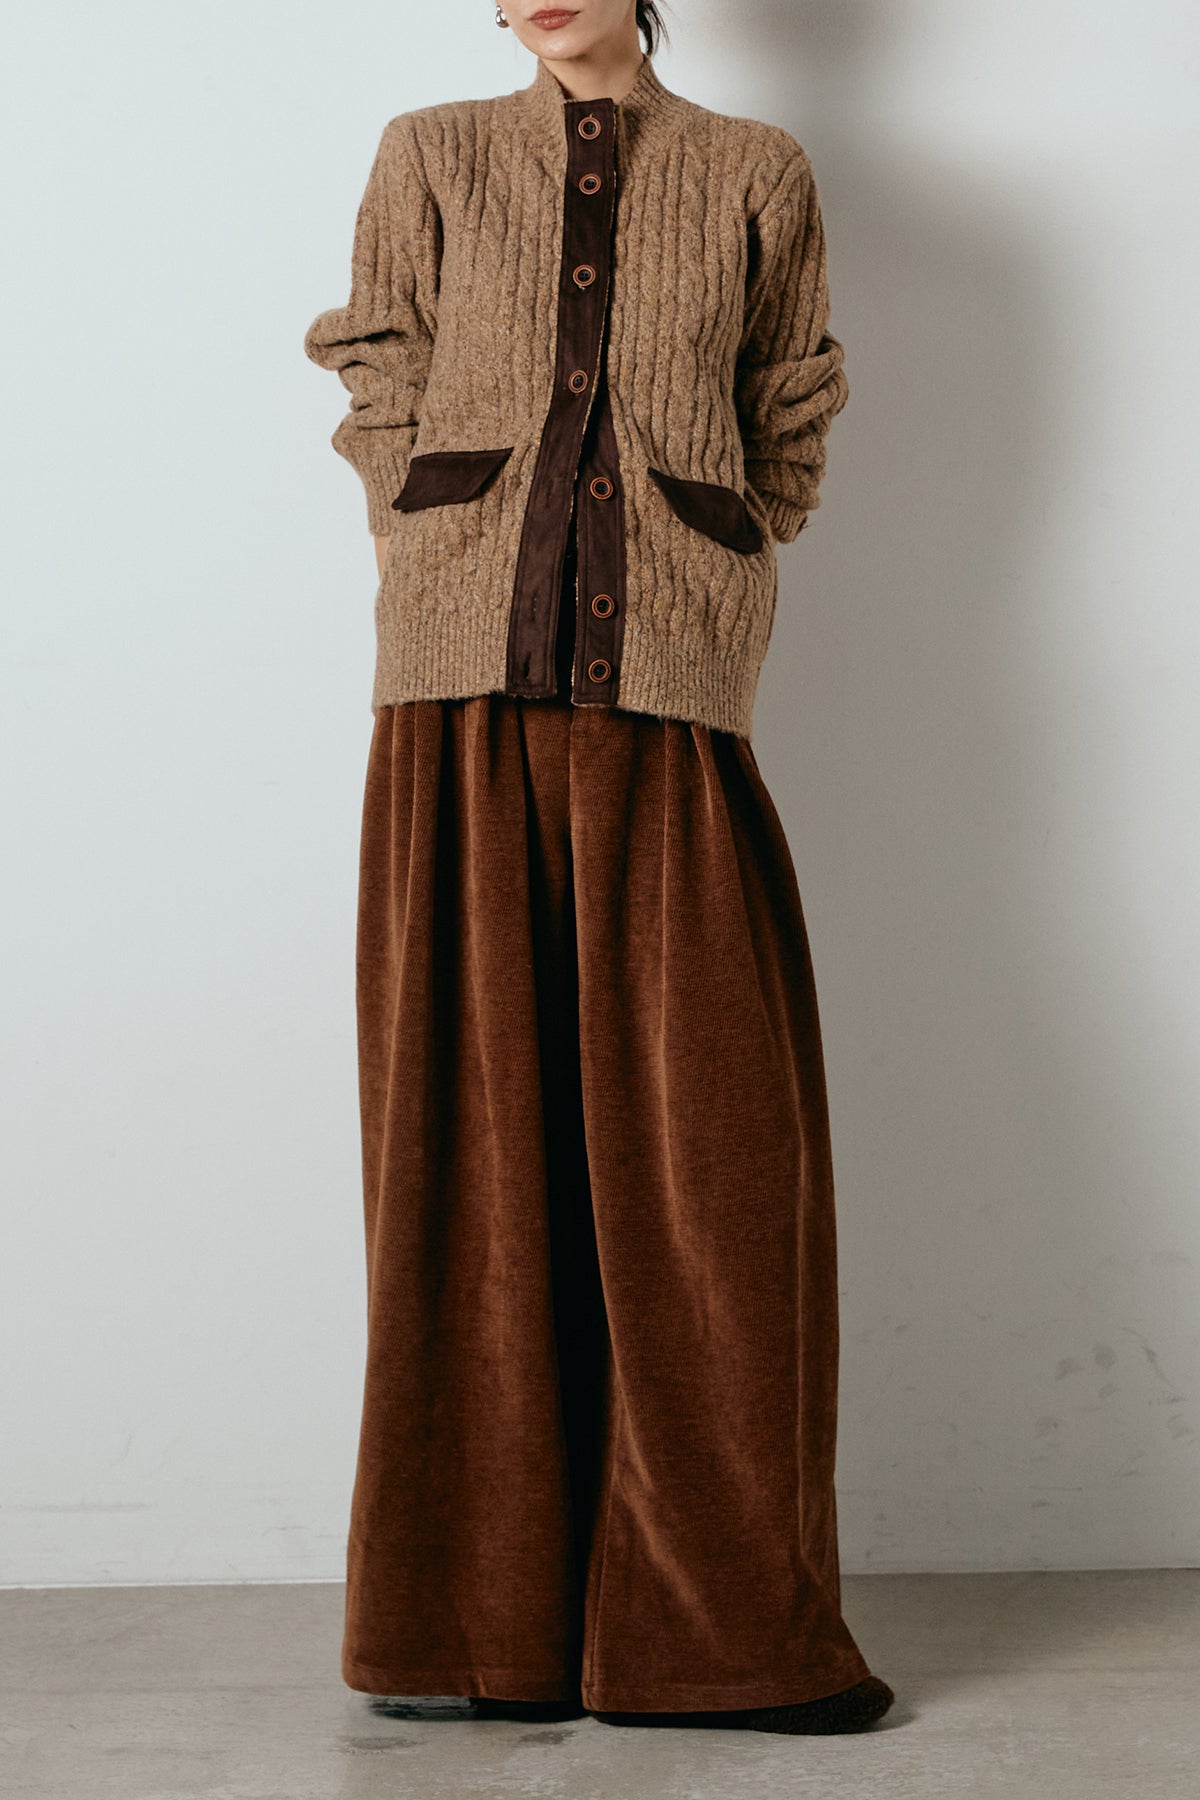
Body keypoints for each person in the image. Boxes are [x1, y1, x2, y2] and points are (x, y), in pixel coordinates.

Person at [302, 0, 895, 1736]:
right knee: (468, 1162)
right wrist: (420, 515)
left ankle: (717, 1644)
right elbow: (378, 357)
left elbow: (794, 395)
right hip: (457, 682)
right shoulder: (430, 152)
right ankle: (469, 1637)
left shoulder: (756, 170)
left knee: (711, 1167)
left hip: (672, 690)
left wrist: (727, 535)